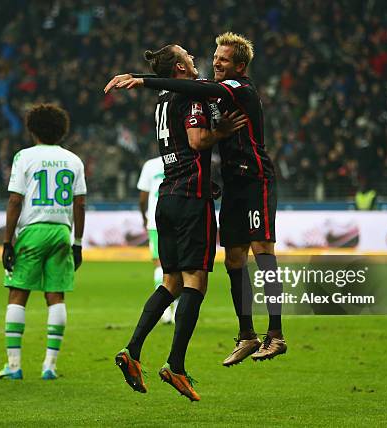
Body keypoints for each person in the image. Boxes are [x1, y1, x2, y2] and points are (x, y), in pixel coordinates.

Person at [105, 32, 286, 367]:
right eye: (215, 56)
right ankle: (247, 335)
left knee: (263, 253)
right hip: (232, 185)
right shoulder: (211, 94)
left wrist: (144, 81)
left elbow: (199, 90)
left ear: (240, 66)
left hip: (256, 180)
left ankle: (275, 334)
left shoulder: (239, 89)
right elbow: (193, 92)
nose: (215, 62)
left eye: (224, 59)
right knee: (234, 261)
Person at [110, 44, 245, 401]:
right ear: (181, 68)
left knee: (170, 281)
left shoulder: (163, 100)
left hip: (166, 196)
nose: (194, 57)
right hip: (191, 198)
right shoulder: (192, 97)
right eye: (187, 55)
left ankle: (132, 350)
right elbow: (198, 139)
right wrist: (224, 131)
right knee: (195, 282)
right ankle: (176, 365)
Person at [0, 104, 86, 381]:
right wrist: (77, 242)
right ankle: (50, 366)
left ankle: (14, 365)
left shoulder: (25, 156)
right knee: (55, 295)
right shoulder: (74, 160)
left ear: (32, 129)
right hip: (61, 232)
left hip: (32, 230)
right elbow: (80, 205)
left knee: (18, 293)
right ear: (62, 130)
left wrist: (8, 242)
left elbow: (14, 200)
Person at [137, 155, 177, 324]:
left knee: (159, 263)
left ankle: (165, 310)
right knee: (181, 266)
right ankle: (176, 312)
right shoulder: (184, 159)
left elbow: (143, 197)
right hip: (179, 219)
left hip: (156, 220)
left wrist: (144, 216)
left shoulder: (150, 164)